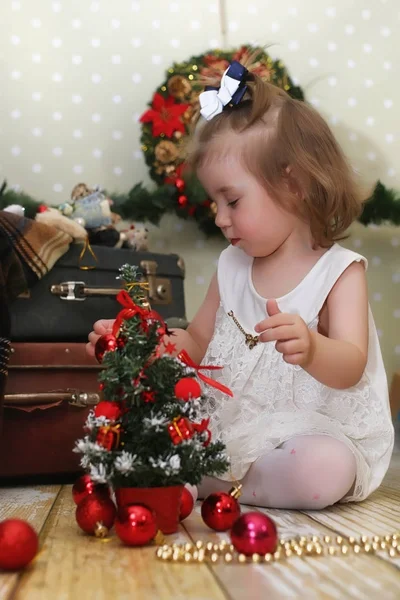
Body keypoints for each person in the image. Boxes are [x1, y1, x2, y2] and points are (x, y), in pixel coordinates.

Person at [87, 61, 394, 510]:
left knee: (323, 466)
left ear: (295, 184)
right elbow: (196, 340)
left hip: (311, 431)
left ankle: (209, 480)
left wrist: (312, 348)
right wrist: (144, 344)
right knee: (156, 420)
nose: (220, 216)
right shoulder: (231, 265)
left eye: (232, 199)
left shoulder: (340, 270)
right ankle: (211, 472)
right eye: (214, 201)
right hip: (232, 425)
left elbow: (350, 364)